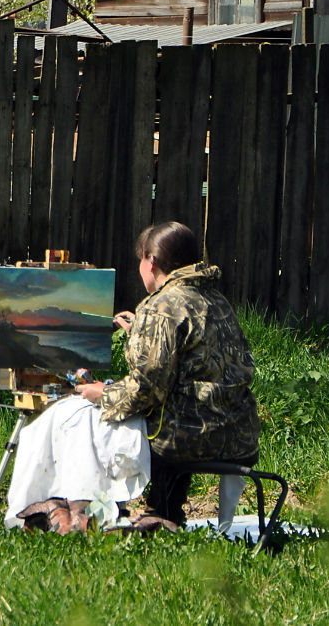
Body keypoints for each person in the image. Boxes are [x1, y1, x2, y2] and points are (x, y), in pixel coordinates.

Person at [74, 221, 260, 526]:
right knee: (175, 408)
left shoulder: (161, 306)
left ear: (152, 261)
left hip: (190, 437)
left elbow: (146, 390)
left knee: (91, 417)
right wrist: (143, 333)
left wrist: (101, 393)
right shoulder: (216, 300)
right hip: (239, 435)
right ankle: (167, 508)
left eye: (140, 260)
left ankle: (108, 513)